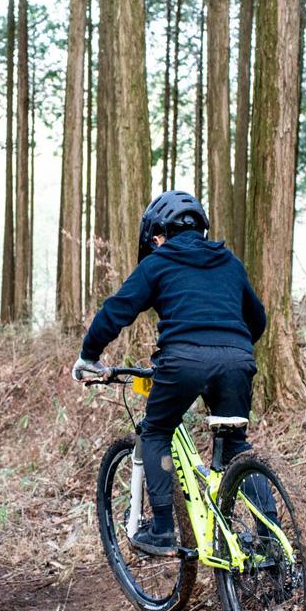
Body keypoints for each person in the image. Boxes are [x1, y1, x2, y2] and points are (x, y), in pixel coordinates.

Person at [72, 191, 267, 555]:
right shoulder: (229, 262)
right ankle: (270, 540)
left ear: (160, 233)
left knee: (157, 430)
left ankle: (161, 528)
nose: (155, 244)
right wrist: (229, 348)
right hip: (238, 359)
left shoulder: (158, 263)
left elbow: (116, 311)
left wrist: (89, 355)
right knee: (236, 445)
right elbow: (258, 319)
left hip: (182, 361)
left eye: (154, 239)